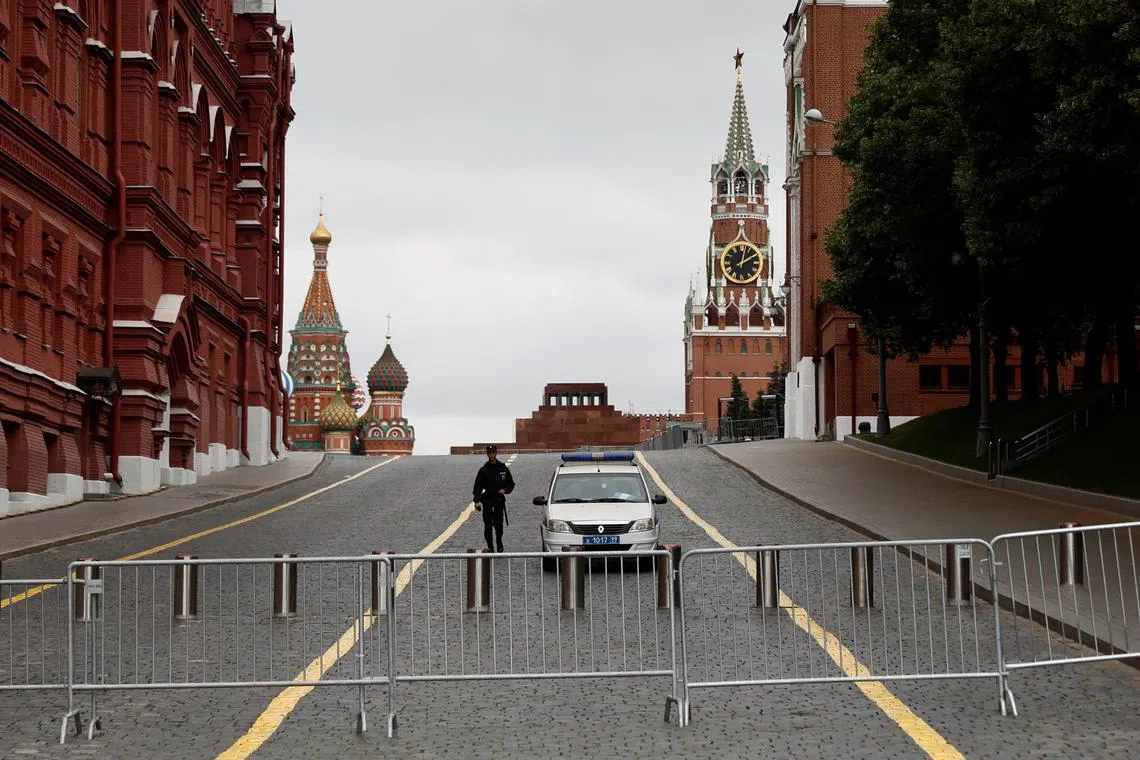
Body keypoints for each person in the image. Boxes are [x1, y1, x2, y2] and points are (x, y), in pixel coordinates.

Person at [472, 444, 515, 553]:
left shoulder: (503, 468)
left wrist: (505, 490)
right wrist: (476, 501)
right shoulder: (483, 470)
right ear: (487, 454)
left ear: (496, 453)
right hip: (487, 501)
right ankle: (490, 546)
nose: (491, 455)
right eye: (489, 453)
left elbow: (511, 483)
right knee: (487, 526)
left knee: (498, 524)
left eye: (493, 453)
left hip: (499, 501)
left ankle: (499, 542)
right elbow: (478, 486)